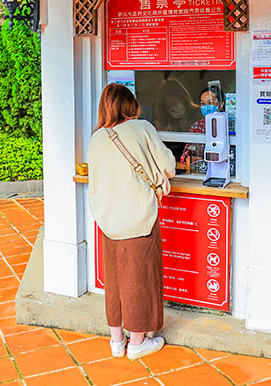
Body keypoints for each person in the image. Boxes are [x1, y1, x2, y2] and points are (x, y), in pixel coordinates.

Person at [87, 83, 176, 360]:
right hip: (138, 220)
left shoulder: (97, 137)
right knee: (139, 279)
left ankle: (116, 341)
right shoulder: (142, 128)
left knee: (114, 281)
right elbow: (169, 167)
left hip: (108, 222)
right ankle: (137, 343)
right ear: (131, 105)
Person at [180, 88, 221, 170]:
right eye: (203, 104)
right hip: (200, 170)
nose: (206, 107)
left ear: (221, 105)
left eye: (211, 103)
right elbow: (184, 155)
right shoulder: (196, 126)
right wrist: (188, 159)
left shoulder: (228, 127)